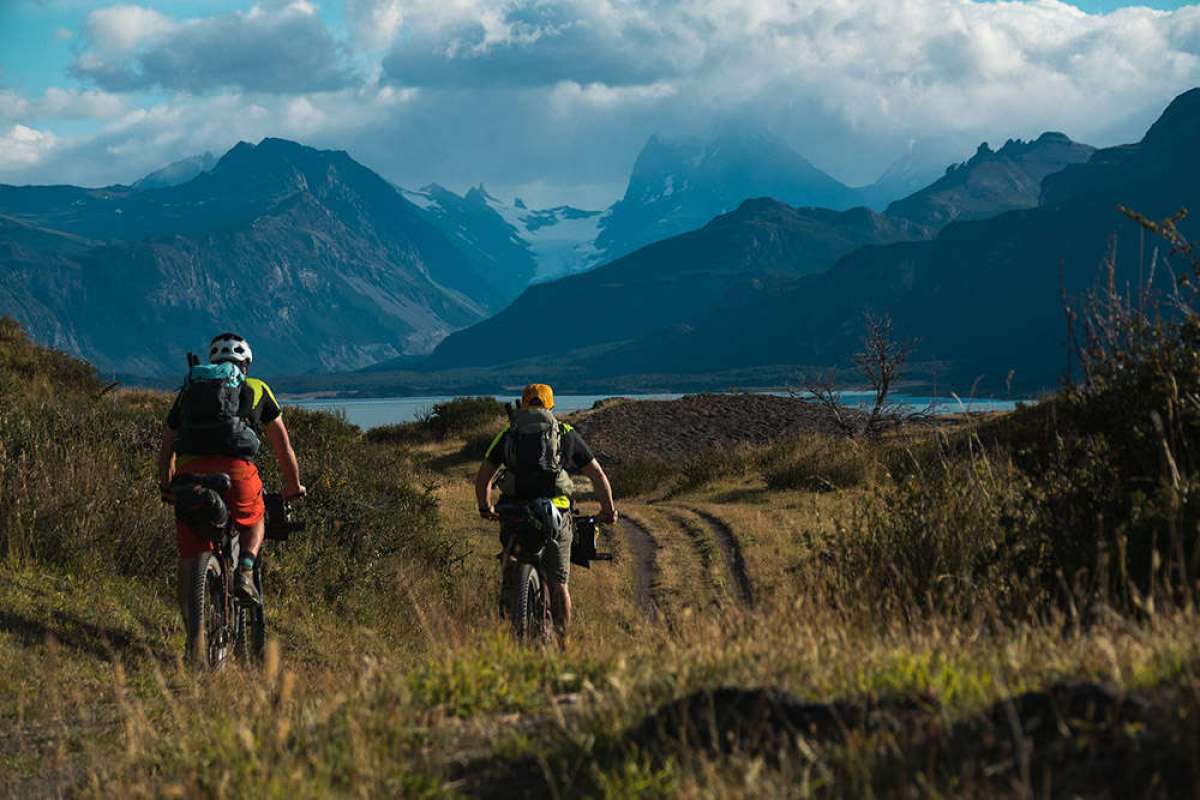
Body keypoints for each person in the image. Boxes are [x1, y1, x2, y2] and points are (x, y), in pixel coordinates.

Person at [156, 332, 305, 622]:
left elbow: (167, 446)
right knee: (256, 517)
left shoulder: (189, 390)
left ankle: (194, 637)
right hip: (237, 471)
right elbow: (282, 445)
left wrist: (167, 485)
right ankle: (245, 570)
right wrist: (292, 484)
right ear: (245, 363)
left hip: (190, 474)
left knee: (189, 556)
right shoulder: (257, 387)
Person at [474, 383, 618, 643]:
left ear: (523, 404)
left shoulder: (508, 433)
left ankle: (511, 630)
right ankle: (563, 645)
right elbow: (597, 474)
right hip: (556, 512)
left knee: (511, 572)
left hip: (514, 511)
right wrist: (608, 510)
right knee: (559, 582)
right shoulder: (564, 432)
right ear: (551, 405)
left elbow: (483, 476)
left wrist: (486, 508)